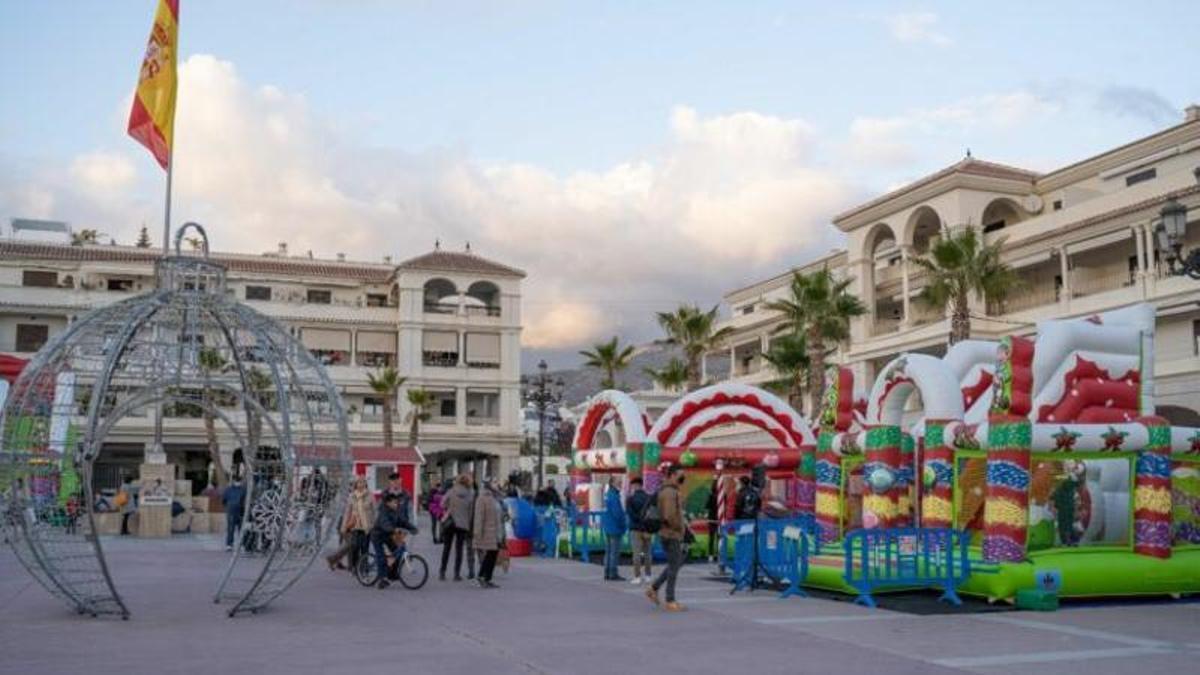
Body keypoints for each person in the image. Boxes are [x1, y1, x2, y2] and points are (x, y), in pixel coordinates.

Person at [646, 464, 687, 612]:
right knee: (674, 566)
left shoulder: (668, 490)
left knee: (674, 564)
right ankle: (670, 599)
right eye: (680, 475)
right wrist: (678, 527)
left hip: (668, 533)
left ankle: (653, 588)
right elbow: (670, 515)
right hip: (671, 533)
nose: (683, 478)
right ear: (672, 475)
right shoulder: (670, 492)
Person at [370, 492, 418, 589]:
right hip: (377, 536)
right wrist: (393, 529)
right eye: (395, 502)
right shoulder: (383, 512)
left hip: (388, 536)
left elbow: (403, 522)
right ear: (388, 503)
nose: (397, 504)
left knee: (399, 551)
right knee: (381, 557)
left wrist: (413, 528)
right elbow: (385, 524)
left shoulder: (395, 511)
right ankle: (381, 580)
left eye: (397, 502)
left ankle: (392, 575)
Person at [326, 478, 374, 571]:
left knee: (350, 544)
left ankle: (346, 564)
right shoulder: (350, 496)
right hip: (347, 523)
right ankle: (334, 559)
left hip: (348, 523)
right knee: (351, 544)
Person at [439, 473, 474, 581]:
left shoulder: (451, 491)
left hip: (451, 522)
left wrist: (449, 508)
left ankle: (442, 572)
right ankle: (456, 574)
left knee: (447, 548)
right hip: (462, 524)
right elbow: (470, 512)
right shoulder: (470, 494)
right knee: (459, 550)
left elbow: (442, 504)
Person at [472, 477, 504, 588]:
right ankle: (483, 576)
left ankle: (486, 578)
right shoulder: (482, 498)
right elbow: (479, 517)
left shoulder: (496, 497)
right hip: (487, 532)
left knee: (492, 555)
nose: (497, 484)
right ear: (488, 485)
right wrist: (477, 534)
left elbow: (500, 513)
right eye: (494, 482)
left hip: (497, 531)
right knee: (490, 555)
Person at [625, 476, 653, 585]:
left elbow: (630, 514)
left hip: (635, 529)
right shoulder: (648, 497)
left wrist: (638, 520)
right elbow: (652, 512)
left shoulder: (630, 499)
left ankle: (637, 576)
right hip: (647, 528)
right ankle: (648, 575)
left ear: (634, 485)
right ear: (642, 485)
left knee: (636, 553)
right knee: (647, 553)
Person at [601, 476, 626, 581]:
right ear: (613, 483)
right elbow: (617, 514)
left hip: (608, 526)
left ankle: (607, 572)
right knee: (614, 552)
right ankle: (613, 573)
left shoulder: (608, 495)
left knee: (609, 551)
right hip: (615, 527)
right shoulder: (614, 496)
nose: (620, 483)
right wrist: (623, 524)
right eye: (619, 482)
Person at [222, 477, 247, 552]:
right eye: (237, 481)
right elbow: (224, 500)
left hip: (238, 511)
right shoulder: (231, 489)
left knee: (239, 529)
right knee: (232, 529)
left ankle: (238, 544)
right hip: (234, 511)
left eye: (238, 481)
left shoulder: (242, 489)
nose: (238, 482)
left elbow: (224, 501)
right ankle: (231, 545)